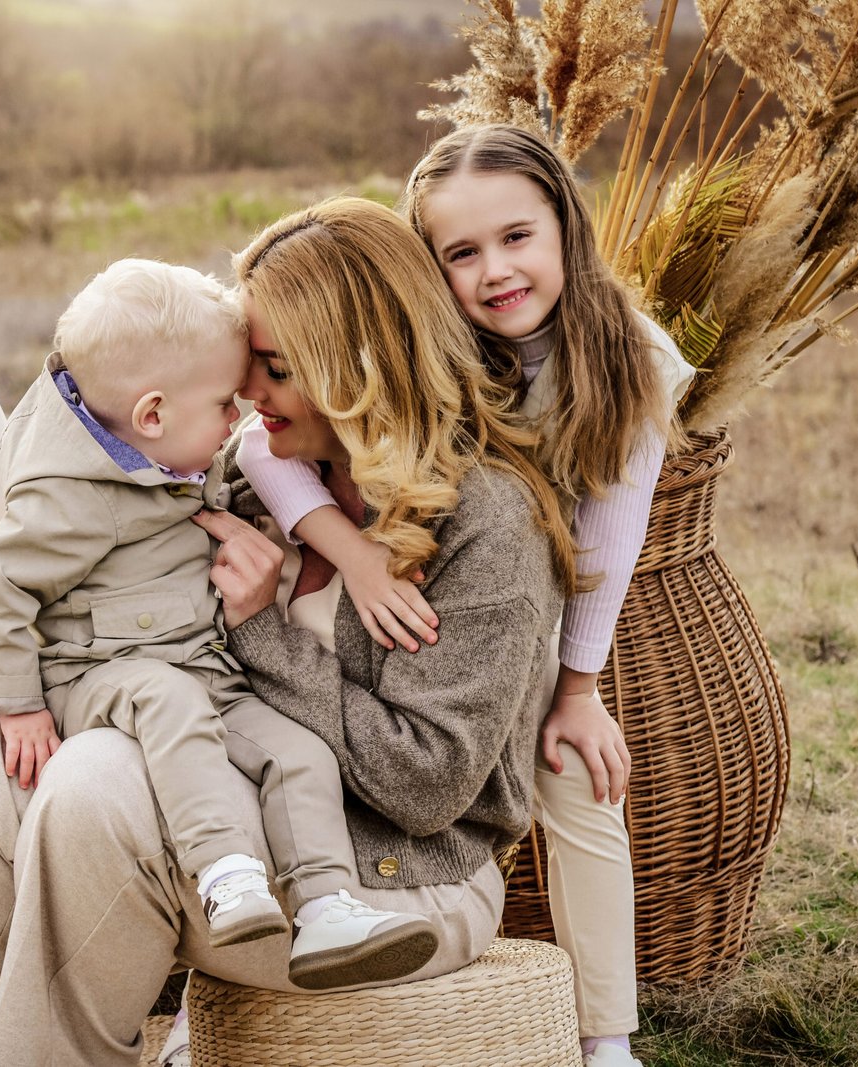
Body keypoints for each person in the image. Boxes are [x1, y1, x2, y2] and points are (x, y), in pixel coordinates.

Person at [0, 199, 569, 1067]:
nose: (248, 394)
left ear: (359, 368)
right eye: (246, 363)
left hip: (389, 881)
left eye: (274, 368)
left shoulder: (489, 523)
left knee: (98, 782)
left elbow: (427, 784)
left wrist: (262, 628)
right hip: (234, 824)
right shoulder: (257, 463)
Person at [235, 125, 696, 1067]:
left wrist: (578, 690)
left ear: (565, 225)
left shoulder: (630, 360)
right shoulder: (436, 340)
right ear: (426, 265)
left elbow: (607, 542)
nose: (495, 272)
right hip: (439, 574)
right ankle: (226, 1000)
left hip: (539, 603)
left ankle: (605, 1034)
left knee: (576, 774)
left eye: (517, 236)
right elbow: (256, 445)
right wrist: (354, 557)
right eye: (461, 252)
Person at [0, 257, 435, 985]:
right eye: (221, 403)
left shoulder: (171, 457)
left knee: (300, 752)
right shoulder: (72, 498)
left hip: (201, 672)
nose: (238, 416)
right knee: (169, 699)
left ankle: (327, 906)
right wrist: (17, 703)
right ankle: (225, 873)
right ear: (152, 415)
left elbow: (261, 454)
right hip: (95, 675)